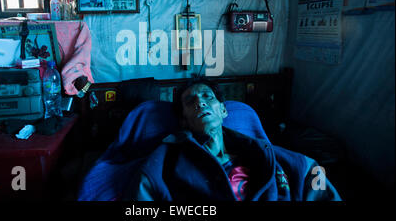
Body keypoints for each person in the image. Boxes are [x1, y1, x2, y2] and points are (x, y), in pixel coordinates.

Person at [124, 77, 341, 201]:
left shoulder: (267, 154)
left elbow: (312, 174)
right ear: (184, 121)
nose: (200, 103)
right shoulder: (165, 162)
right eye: (190, 102)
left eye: (207, 97)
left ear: (224, 111)